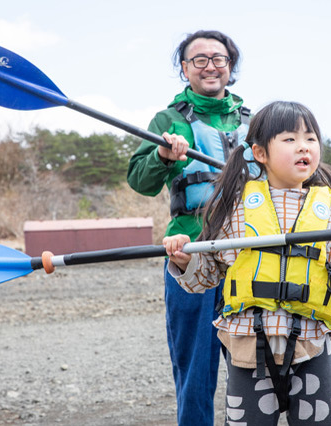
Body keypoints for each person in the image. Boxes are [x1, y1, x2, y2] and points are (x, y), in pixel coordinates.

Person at [163, 101, 331, 425]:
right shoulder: (234, 210)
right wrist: (184, 259)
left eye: (310, 139)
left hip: (311, 347)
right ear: (260, 153)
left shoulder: (330, 214)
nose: (303, 147)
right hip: (247, 349)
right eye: (290, 139)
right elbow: (205, 276)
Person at [127, 30, 250, 426]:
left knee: (255, 365)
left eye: (219, 58)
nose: (210, 65)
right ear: (184, 69)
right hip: (191, 252)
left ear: (230, 67)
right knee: (195, 367)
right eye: (199, 59)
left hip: (251, 252)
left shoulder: (257, 120)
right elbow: (140, 182)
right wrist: (164, 155)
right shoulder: (169, 120)